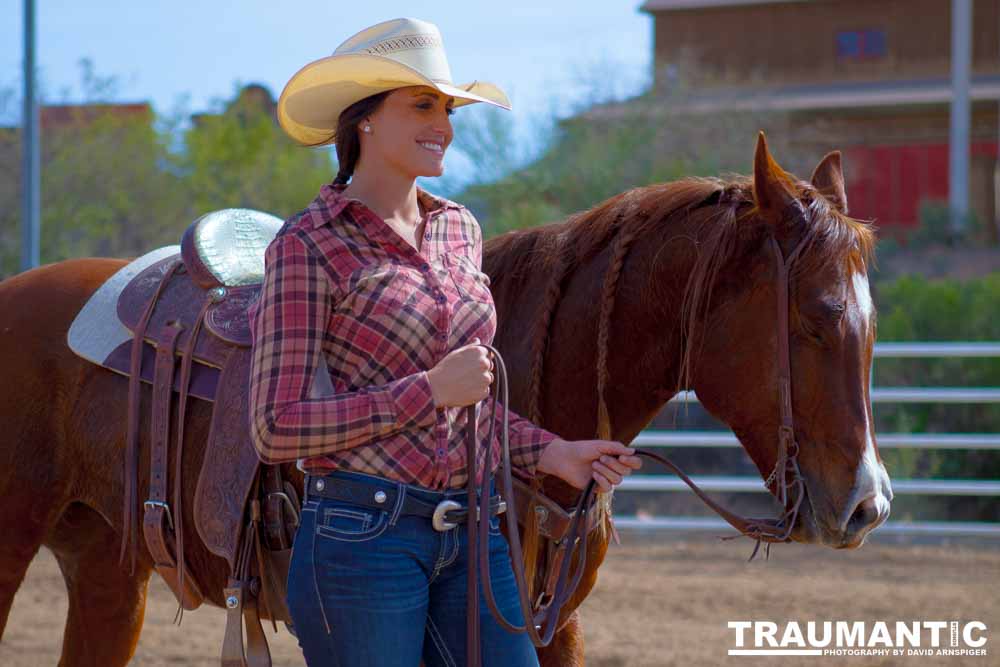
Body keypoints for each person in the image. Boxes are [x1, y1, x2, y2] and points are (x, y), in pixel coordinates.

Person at [248, 17, 642, 667]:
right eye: (422, 105)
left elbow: (471, 403)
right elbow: (276, 427)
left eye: (448, 108)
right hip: (360, 537)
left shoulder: (459, 229)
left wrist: (554, 452)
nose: (445, 125)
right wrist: (425, 391)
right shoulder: (309, 245)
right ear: (365, 120)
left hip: (476, 532)